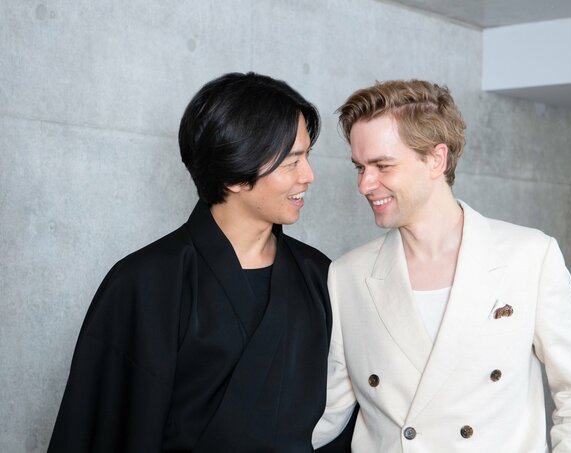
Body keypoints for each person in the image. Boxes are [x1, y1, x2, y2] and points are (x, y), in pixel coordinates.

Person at [49, 72, 349, 452]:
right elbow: (102, 428)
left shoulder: (321, 277)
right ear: (237, 173)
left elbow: (345, 419)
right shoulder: (144, 283)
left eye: (307, 156)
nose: (309, 176)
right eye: (292, 162)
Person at [312, 80, 571, 452]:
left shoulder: (530, 257)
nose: (365, 184)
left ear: (436, 159)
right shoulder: (347, 276)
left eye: (382, 165)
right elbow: (326, 414)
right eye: (360, 167)